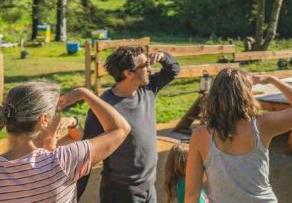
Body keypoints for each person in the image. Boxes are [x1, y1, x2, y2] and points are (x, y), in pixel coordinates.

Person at [185, 68, 292, 203]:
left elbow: (192, 193)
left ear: (214, 96)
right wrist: (272, 80)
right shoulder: (262, 125)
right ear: (246, 94)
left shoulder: (200, 135)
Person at [77, 46, 180, 203]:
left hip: (149, 188)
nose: (150, 70)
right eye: (145, 66)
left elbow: (173, 70)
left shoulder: (148, 88)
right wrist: (75, 195)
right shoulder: (104, 107)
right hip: (120, 193)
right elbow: (86, 155)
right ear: (128, 72)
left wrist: (163, 57)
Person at [0, 82, 131, 202]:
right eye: (57, 111)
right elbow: (120, 129)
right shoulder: (61, 161)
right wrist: (84, 93)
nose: (60, 116)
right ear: (44, 120)